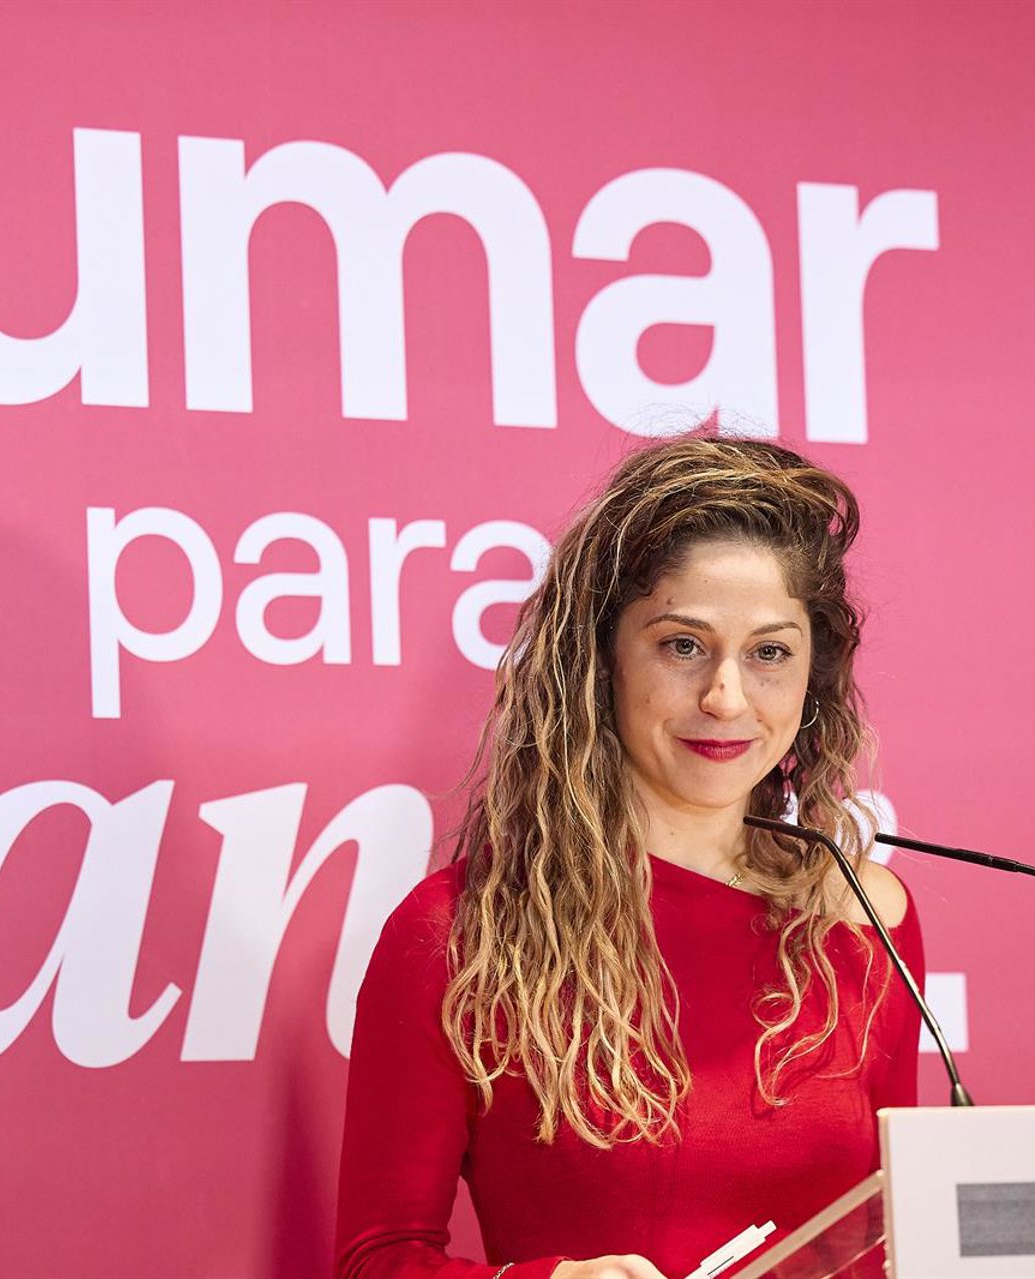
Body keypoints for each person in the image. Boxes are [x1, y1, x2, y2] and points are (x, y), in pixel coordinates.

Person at [334, 433, 925, 1279]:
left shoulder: (868, 915)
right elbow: (377, 1259)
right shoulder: (459, 935)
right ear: (603, 658)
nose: (725, 696)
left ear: (813, 675)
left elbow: (899, 1236)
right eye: (683, 644)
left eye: (769, 652)